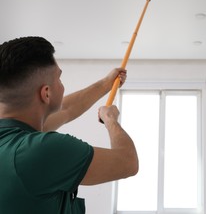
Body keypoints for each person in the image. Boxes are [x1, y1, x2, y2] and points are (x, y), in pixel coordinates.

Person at [0, 36, 138, 213]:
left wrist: (106, 84)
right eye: (59, 78)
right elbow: (127, 162)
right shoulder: (42, 150)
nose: (61, 85)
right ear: (46, 93)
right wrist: (110, 119)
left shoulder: (12, 142)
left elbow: (67, 109)